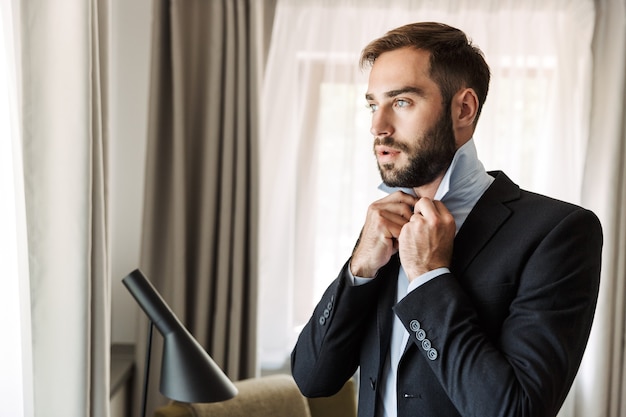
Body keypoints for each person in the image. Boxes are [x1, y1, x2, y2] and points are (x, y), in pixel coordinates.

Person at [290, 22, 602, 417]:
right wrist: (359, 270)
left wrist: (429, 278)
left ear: (463, 108)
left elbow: (516, 411)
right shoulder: (382, 232)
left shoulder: (558, 232)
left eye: (401, 101)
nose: (377, 126)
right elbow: (312, 378)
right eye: (373, 104)